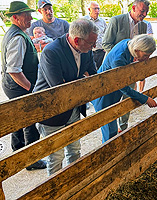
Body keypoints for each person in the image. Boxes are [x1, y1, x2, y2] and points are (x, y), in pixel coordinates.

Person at [33, 18, 98, 176]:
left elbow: (93, 75)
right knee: (56, 156)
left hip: (73, 108)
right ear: (77, 40)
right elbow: (59, 87)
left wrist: (81, 81)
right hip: (51, 111)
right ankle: (55, 192)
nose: (94, 47)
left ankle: (73, 182)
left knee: (75, 150)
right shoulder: (52, 51)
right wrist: (83, 80)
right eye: (91, 43)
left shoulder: (86, 51)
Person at [1, 1, 46, 170]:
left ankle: (18, 151)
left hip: (11, 85)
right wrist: (31, 89)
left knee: (18, 118)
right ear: (15, 18)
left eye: (29, 14)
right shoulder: (18, 37)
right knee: (30, 120)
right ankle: (31, 160)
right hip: (19, 85)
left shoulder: (14, 33)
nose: (30, 18)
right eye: (25, 15)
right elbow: (14, 70)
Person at [92, 34, 157, 144]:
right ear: (137, 50)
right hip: (104, 94)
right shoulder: (119, 58)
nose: (147, 59)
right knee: (110, 131)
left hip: (113, 90)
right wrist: (144, 99)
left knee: (112, 125)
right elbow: (123, 87)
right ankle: (108, 156)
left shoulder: (128, 43)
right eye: (146, 55)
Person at [102, 0, 150, 132]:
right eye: (142, 11)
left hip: (132, 69)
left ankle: (123, 128)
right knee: (112, 98)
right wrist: (120, 58)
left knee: (128, 97)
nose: (144, 14)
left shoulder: (143, 26)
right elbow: (106, 44)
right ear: (133, 8)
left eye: (146, 12)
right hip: (115, 67)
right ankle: (111, 130)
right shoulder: (116, 20)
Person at [83, 1, 107, 69]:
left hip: (101, 52)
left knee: (101, 71)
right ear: (89, 9)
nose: (97, 11)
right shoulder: (83, 21)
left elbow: (107, 34)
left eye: (98, 9)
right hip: (88, 52)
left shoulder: (102, 21)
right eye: (95, 9)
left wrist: (106, 46)